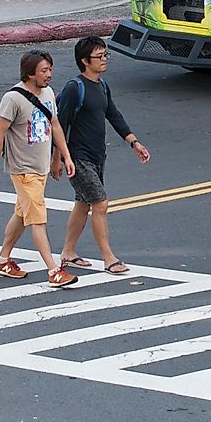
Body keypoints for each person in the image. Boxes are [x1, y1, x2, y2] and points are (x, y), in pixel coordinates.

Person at [56, 36, 150, 275]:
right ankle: (108, 258)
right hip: (77, 156)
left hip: (98, 155)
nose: (104, 60)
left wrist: (134, 142)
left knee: (83, 202)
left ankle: (68, 251)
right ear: (84, 61)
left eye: (105, 55)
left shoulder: (102, 85)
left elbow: (113, 115)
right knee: (100, 203)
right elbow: (60, 124)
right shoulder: (73, 88)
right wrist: (58, 158)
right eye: (99, 56)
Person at [0, 50, 78, 288]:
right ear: (29, 74)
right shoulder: (13, 99)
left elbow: (55, 126)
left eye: (50, 69)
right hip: (23, 169)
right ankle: (53, 270)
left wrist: (65, 157)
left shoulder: (47, 94)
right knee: (37, 220)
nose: (49, 75)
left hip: (40, 168)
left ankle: (2, 259)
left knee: (22, 214)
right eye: (44, 71)